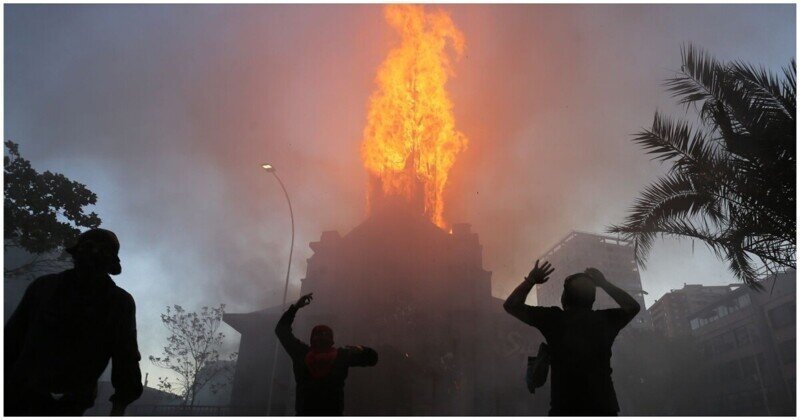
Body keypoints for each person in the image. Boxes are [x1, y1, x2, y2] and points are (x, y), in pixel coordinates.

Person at [5, 228, 143, 416]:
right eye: (89, 247)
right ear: (77, 253)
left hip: (73, 401)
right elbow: (12, 338)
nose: (94, 254)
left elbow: (126, 356)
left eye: (102, 250)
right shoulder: (44, 288)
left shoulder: (119, 303)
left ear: (111, 260)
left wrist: (120, 403)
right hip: (21, 393)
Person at [504, 260, 641, 416]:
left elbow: (511, 305)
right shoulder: (604, 321)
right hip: (603, 409)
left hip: (565, 409)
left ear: (565, 298)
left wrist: (530, 280)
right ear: (592, 300)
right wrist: (604, 284)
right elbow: (633, 307)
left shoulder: (554, 320)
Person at [275, 293, 378, 416]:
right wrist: (361, 349)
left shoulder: (301, 353)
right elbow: (373, 358)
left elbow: (281, 330)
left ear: (312, 338)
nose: (321, 338)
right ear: (331, 340)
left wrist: (295, 307)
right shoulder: (341, 356)